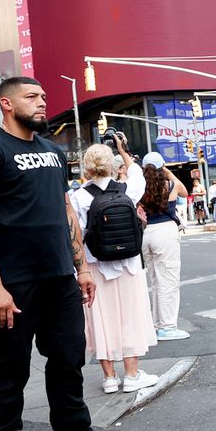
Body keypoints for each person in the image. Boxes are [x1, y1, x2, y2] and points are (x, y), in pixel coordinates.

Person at [0, 77, 129, 431]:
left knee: (69, 358)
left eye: (44, 96)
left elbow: (64, 210)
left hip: (59, 278)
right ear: (6, 103)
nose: (42, 102)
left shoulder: (51, 152)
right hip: (12, 283)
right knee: (10, 370)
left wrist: (81, 267)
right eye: (32, 97)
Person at [70, 143, 158, 393]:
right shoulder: (128, 189)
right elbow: (137, 172)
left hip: (95, 266)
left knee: (101, 319)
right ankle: (131, 374)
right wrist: (122, 150)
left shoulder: (79, 197)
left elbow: (76, 234)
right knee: (131, 317)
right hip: (129, 264)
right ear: (112, 165)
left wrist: (80, 269)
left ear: (86, 168)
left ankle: (109, 378)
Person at [140, 150, 190, 341]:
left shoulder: (140, 188)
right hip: (166, 234)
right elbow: (184, 192)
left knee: (154, 281)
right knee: (168, 280)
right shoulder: (171, 185)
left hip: (147, 233)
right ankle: (167, 327)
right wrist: (168, 172)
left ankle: (156, 324)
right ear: (163, 168)